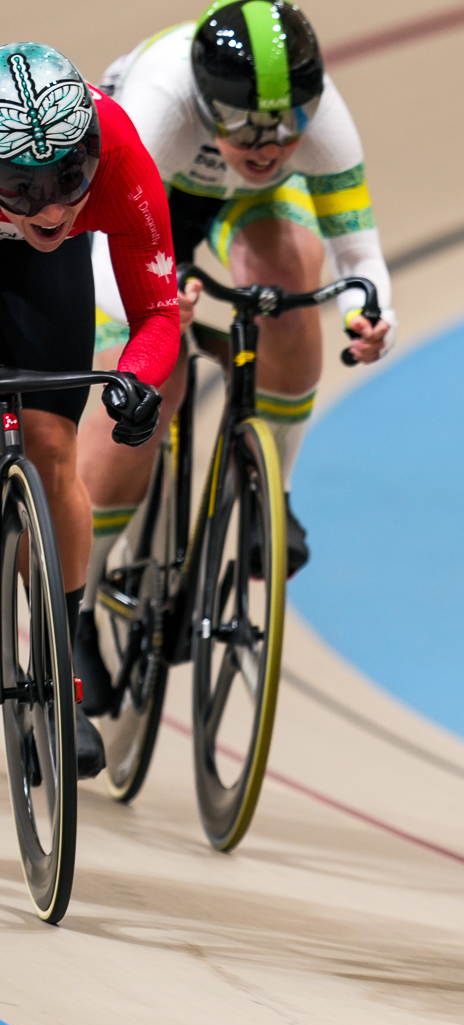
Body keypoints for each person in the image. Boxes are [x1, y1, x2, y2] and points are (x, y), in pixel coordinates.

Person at [78, 0, 395, 701]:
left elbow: (359, 255)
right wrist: (156, 318)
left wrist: (369, 318)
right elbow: (105, 251)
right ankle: (77, 600)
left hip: (243, 210)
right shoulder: (160, 101)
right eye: (245, 123)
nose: (266, 144)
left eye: (285, 126)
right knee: (149, 390)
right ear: (204, 102)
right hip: (145, 203)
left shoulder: (323, 122)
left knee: (292, 273)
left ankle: (268, 495)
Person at [0, 42, 173, 778]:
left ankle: (62, 667)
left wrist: (137, 380)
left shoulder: (120, 154)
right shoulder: (63, 191)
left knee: (54, 445)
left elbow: (159, 312)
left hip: (49, 277)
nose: (50, 205)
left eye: (69, 177)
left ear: (92, 151)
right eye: (21, 186)